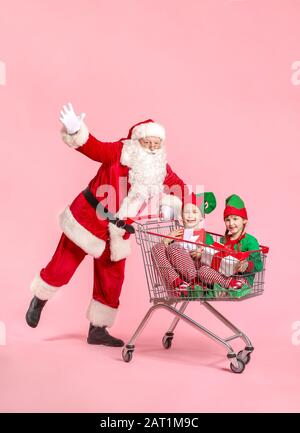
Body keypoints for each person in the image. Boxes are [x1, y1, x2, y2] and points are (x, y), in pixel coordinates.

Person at [26, 103, 193, 346]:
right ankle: (39, 300)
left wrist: (190, 205)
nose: (154, 149)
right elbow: (94, 148)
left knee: (111, 281)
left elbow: (179, 186)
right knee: (62, 266)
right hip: (88, 218)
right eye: (149, 143)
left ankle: (98, 329)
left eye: (158, 144)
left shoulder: (159, 168)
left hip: (117, 232)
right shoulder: (120, 151)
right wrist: (76, 130)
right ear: (138, 141)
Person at [151, 192, 216, 294]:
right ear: (181, 216)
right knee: (157, 247)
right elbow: (163, 254)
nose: (190, 215)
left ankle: (195, 282)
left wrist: (202, 252)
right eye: (186, 212)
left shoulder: (205, 236)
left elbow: (215, 255)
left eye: (195, 212)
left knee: (173, 248)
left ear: (202, 216)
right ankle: (177, 283)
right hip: (178, 275)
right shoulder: (177, 234)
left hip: (198, 272)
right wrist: (166, 240)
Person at [198, 194, 263, 291]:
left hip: (242, 279)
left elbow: (259, 265)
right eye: (227, 220)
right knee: (202, 271)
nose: (231, 223)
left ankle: (230, 285)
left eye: (235, 219)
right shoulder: (223, 240)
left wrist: (246, 265)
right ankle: (226, 285)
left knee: (237, 280)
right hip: (224, 276)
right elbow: (218, 260)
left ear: (244, 220)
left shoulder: (250, 241)